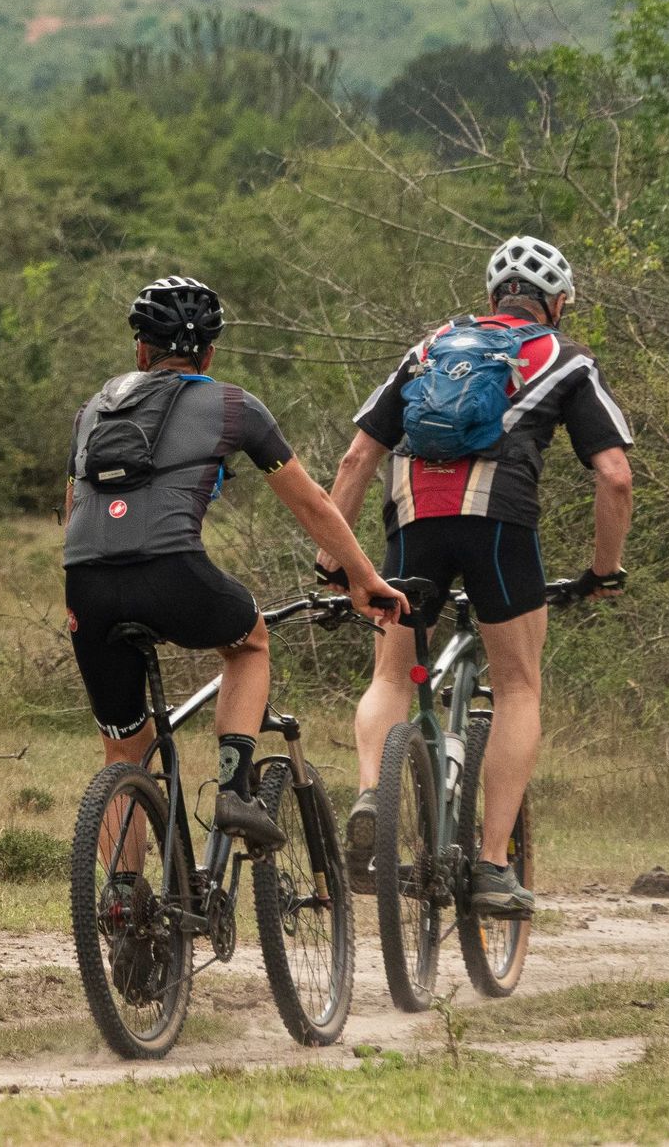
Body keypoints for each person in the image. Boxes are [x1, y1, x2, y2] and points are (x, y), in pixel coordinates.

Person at [318, 236, 632, 917]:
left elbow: (355, 456)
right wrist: (603, 571)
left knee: (391, 675)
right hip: (499, 522)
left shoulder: (428, 348)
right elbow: (615, 475)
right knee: (518, 684)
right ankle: (491, 865)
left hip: (413, 515)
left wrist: (334, 558)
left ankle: (372, 793)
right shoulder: (566, 357)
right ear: (555, 304)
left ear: (492, 297)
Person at [65, 276, 407, 850]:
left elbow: (75, 509)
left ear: (142, 350)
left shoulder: (90, 412)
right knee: (248, 643)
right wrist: (364, 578)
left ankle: (125, 910)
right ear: (211, 352)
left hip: (87, 585)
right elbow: (313, 503)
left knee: (123, 751)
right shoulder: (233, 406)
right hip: (174, 572)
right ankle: (233, 791)